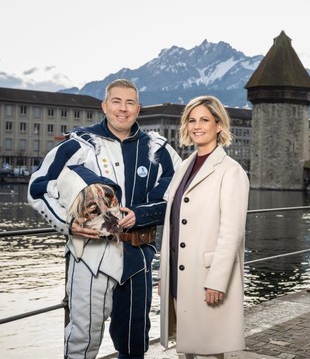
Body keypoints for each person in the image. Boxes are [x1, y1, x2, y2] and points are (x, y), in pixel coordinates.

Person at [27, 78, 182, 359]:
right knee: (83, 340)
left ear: (138, 109)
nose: (123, 109)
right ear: (105, 106)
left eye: (130, 102)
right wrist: (67, 224)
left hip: (137, 256)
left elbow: (180, 196)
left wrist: (141, 214)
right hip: (90, 257)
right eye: (116, 101)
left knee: (135, 341)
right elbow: (37, 188)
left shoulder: (158, 150)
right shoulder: (79, 144)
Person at [158, 95, 250, 359]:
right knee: (187, 345)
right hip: (180, 273)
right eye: (191, 120)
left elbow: (232, 232)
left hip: (207, 275)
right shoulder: (183, 167)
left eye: (204, 120)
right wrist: (164, 273)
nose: (197, 126)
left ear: (219, 125)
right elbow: (173, 224)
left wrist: (217, 281)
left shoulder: (231, 171)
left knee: (211, 348)